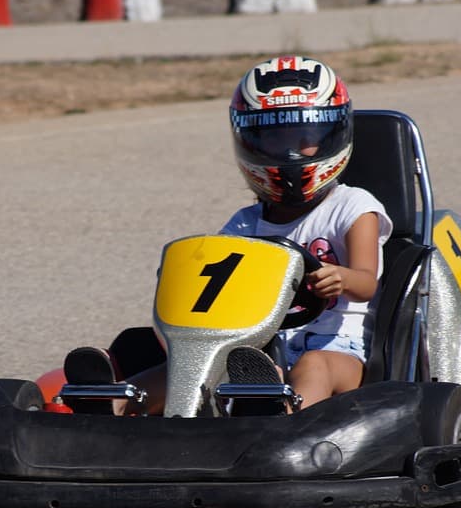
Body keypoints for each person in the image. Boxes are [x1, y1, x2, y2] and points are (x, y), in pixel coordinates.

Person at [65, 55, 392, 414]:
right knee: (192, 366)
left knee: (312, 366)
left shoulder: (354, 206)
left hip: (340, 351)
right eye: (274, 137)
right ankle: (110, 403)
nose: (290, 150)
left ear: (332, 133)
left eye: (303, 136)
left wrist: (340, 277)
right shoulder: (245, 222)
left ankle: (284, 420)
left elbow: (367, 283)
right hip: (259, 352)